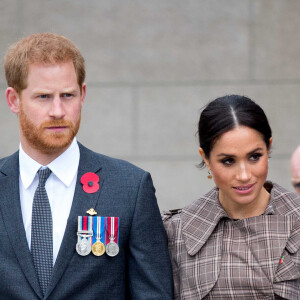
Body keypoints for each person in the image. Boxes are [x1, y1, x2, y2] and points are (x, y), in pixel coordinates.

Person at [0, 33, 173, 300]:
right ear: (14, 100)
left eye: (67, 95)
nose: (58, 110)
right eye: (43, 97)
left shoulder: (129, 188)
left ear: (82, 94)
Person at [163, 95, 300, 299]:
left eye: (255, 156)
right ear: (206, 159)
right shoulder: (176, 233)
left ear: (268, 148)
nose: (244, 175)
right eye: (228, 161)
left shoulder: (295, 217)